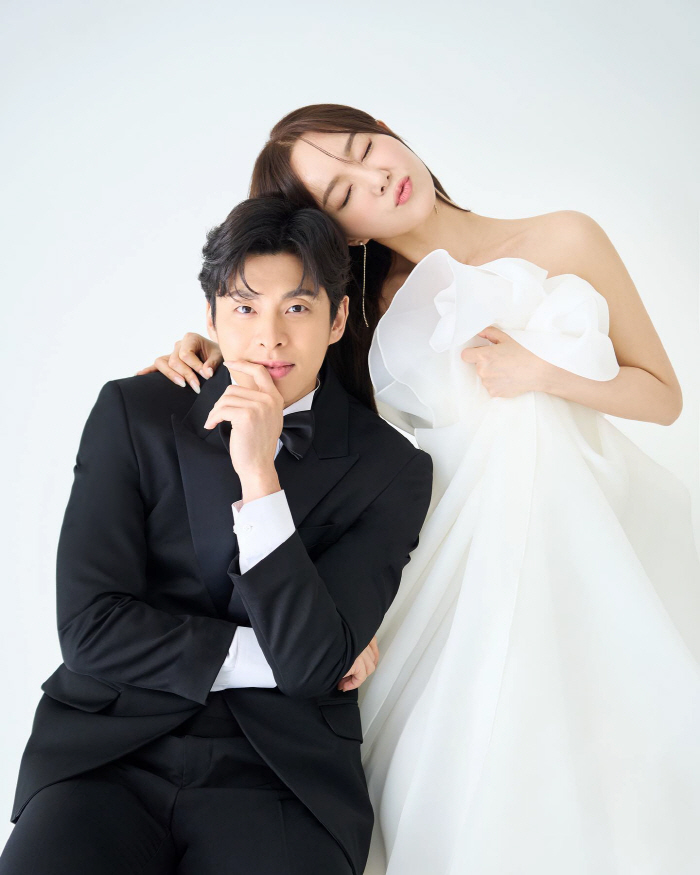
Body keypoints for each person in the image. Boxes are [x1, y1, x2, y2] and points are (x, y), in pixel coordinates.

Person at [137, 105, 700, 873]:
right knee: (482, 777)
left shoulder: (566, 237)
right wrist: (208, 348)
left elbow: (663, 395)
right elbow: (304, 413)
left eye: (365, 147)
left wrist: (541, 374)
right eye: (343, 193)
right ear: (340, 233)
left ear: (388, 130)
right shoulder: (360, 314)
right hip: (453, 569)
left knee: (606, 760)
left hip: (577, 539)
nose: (377, 177)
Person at [0, 195, 434, 875]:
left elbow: (312, 668)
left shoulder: (392, 469)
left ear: (337, 318)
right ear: (210, 316)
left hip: (281, 776)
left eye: (297, 307)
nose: (270, 338)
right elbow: (89, 628)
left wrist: (259, 475)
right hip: (110, 753)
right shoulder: (135, 412)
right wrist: (280, 657)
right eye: (244, 308)